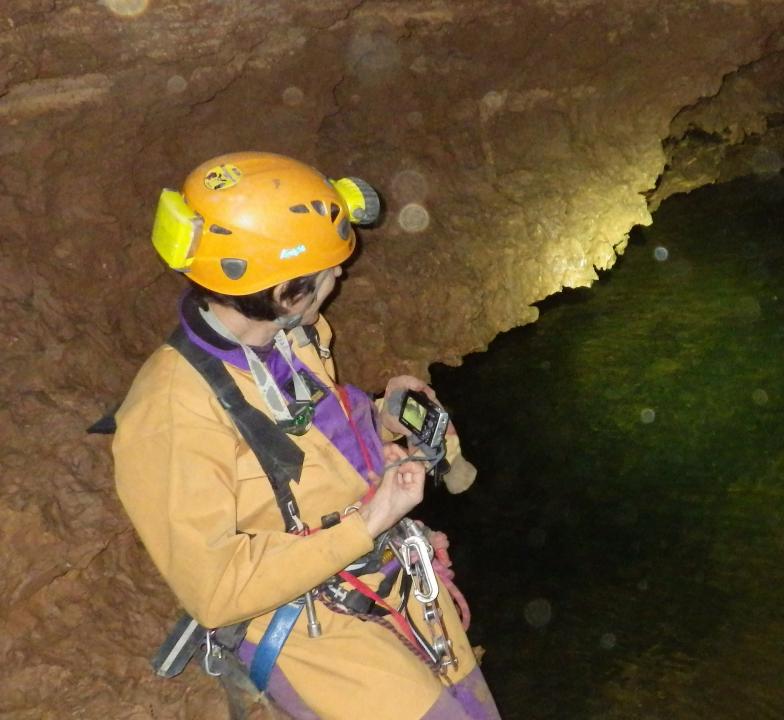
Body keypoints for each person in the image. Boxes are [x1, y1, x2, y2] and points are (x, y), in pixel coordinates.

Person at [112, 151, 499, 719]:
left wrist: (377, 422)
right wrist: (370, 521)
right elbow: (217, 590)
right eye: (326, 270)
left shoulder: (296, 332)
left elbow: (306, 433)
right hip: (306, 622)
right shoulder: (170, 413)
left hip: (394, 581)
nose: (339, 275)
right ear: (283, 291)